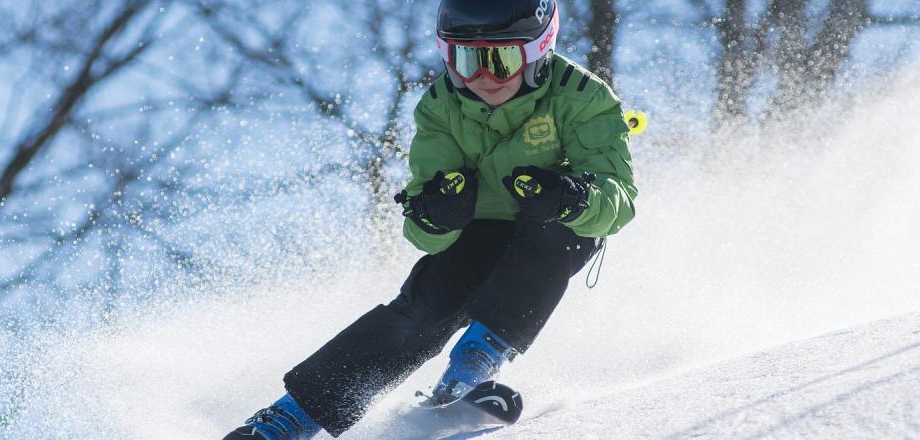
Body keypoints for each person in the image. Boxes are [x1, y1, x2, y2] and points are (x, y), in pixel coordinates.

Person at [223, 0, 636, 438]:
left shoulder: (582, 96)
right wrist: (436, 215)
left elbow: (620, 199)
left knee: (554, 236)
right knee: (424, 306)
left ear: (539, 49)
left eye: (502, 59)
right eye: (466, 59)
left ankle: (475, 362)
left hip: (553, 226)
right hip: (478, 230)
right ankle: (290, 418)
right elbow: (424, 233)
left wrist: (571, 198)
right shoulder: (441, 106)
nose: (482, 77)